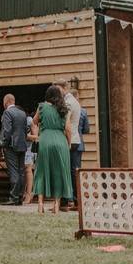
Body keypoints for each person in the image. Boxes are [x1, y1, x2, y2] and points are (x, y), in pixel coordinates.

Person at [32, 85, 74, 214]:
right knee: (59, 172)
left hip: (45, 140)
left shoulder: (42, 107)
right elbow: (67, 128)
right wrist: (69, 142)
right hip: (60, 141)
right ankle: (56, 205)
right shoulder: (64, 109)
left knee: (41, 171)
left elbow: (34, 121)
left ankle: (40, 204)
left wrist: (38, 133)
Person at [54, 79, 82, 209]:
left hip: (70, 140)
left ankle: (68, 200)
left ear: (64, 87)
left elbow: (67, 125)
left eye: (57, 89)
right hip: (75, 139)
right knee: (71, 171)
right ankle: (74, 200)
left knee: (66, 171)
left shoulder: (68, 102)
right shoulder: (73, 101)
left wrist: (68, 142)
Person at [0, 94, 28, 205]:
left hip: (11, 145)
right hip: (22, 145)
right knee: (21, 172)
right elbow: (26, 129)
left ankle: (13, 198)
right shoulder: (22, 113)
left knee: (13, 171)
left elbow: (7, 131)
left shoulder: (7, 113)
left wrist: (3, 144)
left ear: (6, 102)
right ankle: (20, 196)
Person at [22, 114, 37, 205]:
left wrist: (24, 136)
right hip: (18, 149)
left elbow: (35, 136)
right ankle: (23, 193)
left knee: (28, 170)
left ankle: (28, 195)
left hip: (27, 149)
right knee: (22, 172)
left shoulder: (29, 120)